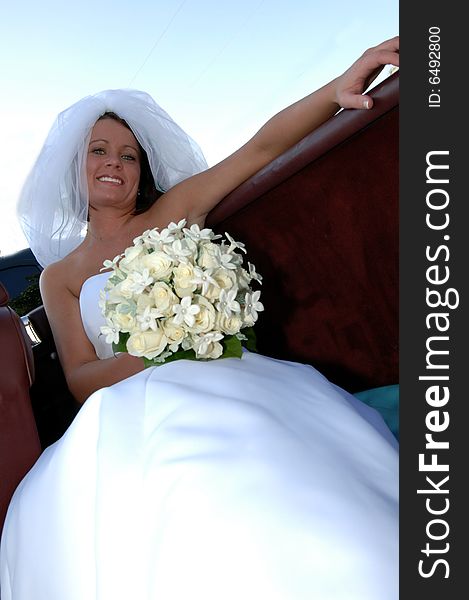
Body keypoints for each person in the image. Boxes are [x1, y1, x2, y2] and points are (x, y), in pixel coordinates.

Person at [1, 37, 399, 599]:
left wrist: (339, 87)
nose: (113, 162)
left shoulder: (171, 212)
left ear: (141, 171)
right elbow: (79, 377)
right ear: (77, 166)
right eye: (99, 151)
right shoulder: (58, 277)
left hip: (223, 372)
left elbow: (259, 150)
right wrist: (161, 351)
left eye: (128, 154)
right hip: (127, 403)